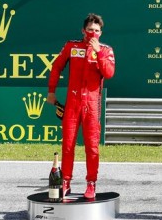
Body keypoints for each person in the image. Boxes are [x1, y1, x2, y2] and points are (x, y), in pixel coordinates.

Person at [47, 13, 115, 199]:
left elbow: (109, 73)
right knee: (68, 145)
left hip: (92, 105)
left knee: (92, 147)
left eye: (97, 30)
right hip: (73, 103)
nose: (93, 33)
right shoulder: (72, 46)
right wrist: (51, 91)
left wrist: (98, 52)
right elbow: (56, 67)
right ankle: (66, 182)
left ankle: (91, 183)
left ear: (101, 33)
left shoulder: (106, 50)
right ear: (83, 30)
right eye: (90, 30)